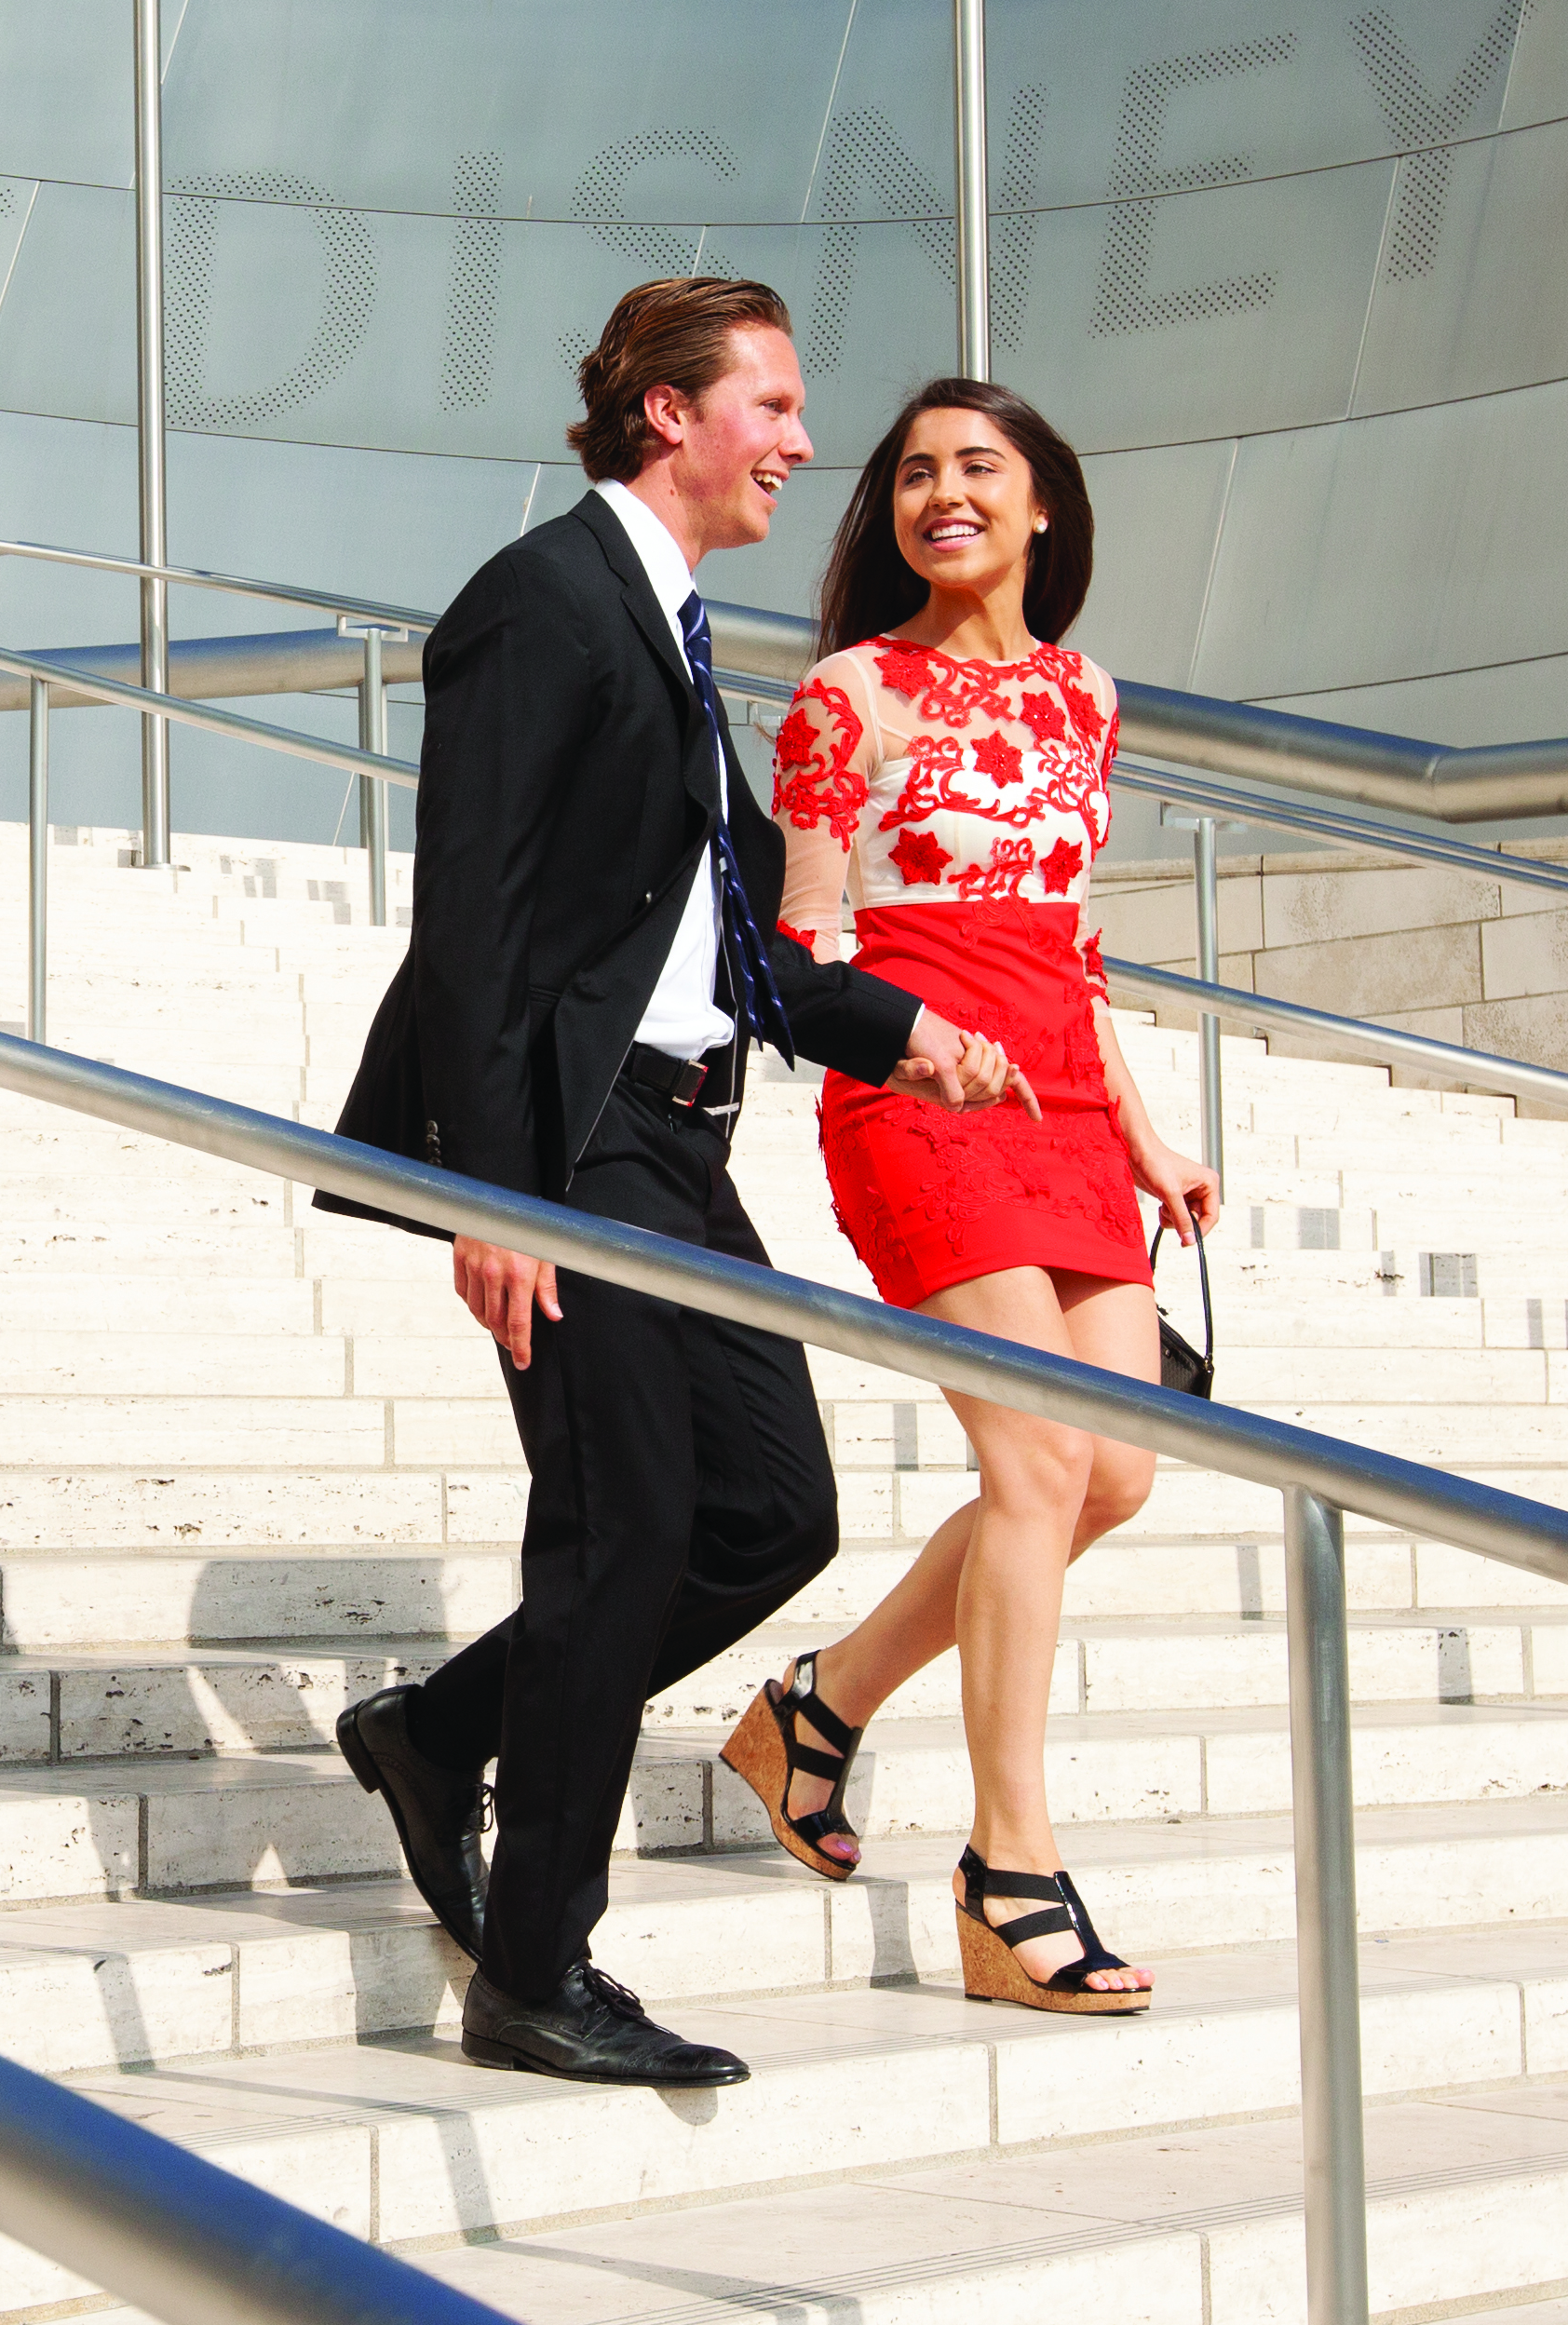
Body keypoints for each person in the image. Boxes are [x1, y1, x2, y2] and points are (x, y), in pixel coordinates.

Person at [317, 280, 1027, 2087]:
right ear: (667, 415)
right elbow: (469, 912)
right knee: (620, 1532)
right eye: (773, 407)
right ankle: (537, 1968)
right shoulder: (542, 603)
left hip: (683, 1136)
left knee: (771, 1513)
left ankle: (441, 1727)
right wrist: (498, 1193)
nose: (802, 442)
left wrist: (902, 1027)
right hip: (575, 1144)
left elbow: (720, 943)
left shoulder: (675, 631)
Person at [720, 376, 1219, 2016]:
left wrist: (1142, 1130)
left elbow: (1072, 943)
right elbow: (793, 954)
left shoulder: (1086, 696)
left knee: (1115, 1479)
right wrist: (910, 1043)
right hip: (919, 1098)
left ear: (1043, 504)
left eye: (978, 467)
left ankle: (819, 1706)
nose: (945, 493)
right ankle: (1012, 1874)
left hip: (1066, 1103)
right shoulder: (849, 697)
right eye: (916, 472)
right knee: (1037, 1458)